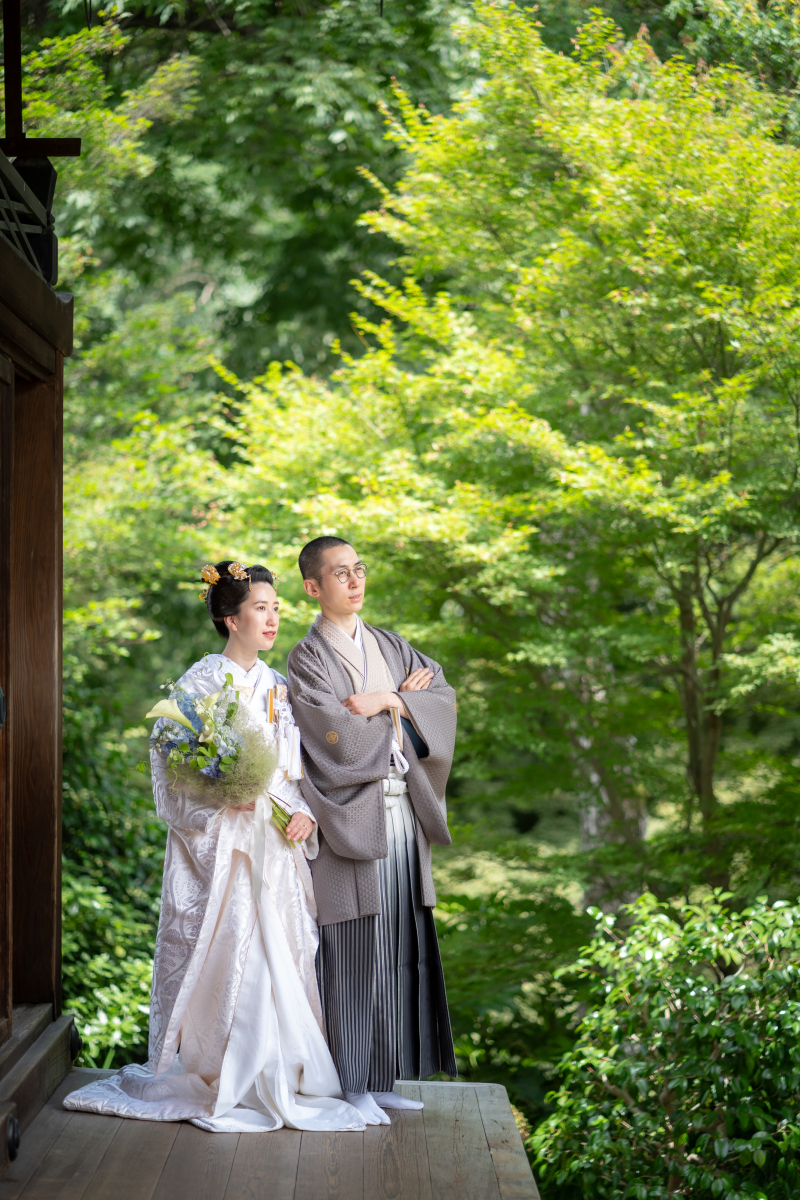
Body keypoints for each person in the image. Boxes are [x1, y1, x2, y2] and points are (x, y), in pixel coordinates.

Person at [63, 561, 365, 1134]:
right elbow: (172, 766)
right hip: (223, 843)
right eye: (260, 608)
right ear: (231, 619)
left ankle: (281, 1069)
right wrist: (223, 796)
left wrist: (303, 814)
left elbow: (293, 772)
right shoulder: (202, 682)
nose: (272, 618)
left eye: (277, 608)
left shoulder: (277, 685)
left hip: (273, 844)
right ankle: (223, 1069)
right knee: (233, 951)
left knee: (283, 950)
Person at [287, 536, 458, 1128]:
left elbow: (440, 693)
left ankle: (383, 1079)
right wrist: (398, 710)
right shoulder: (307, 658)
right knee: (353, 949)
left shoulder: (390, 645)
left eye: (359, 569)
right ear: (313, 587)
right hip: (349, 814)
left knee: (398, 947)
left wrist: (388, 699)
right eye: (340, 573)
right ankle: (348, 1081)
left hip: (402, 811)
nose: (354, 581)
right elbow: (327, 729)